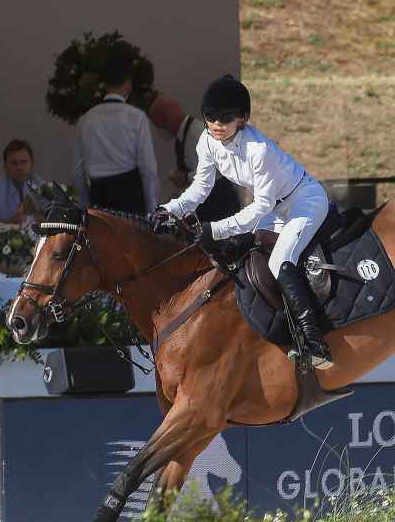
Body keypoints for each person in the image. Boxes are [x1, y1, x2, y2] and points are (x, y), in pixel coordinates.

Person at [152, 75, 333, 368]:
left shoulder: (258, 151)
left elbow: (260, 207)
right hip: (276, 208)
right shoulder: (206, 142)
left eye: (226, 118)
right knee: (249, 261)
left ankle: (315, 342)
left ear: (243, 119)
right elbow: (200, 187)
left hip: (304, 202)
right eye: (210, 117)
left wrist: (216, 228)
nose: (216, 124)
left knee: (279, 262)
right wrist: (170, 209)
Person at [73, 60, 159, 215]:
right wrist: (152, 210)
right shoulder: (136, 117)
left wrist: (85, 205)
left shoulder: (85, 120)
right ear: (128, 84)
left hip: (98, 197)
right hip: (131, 198)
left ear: (104, 85)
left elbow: (78, 171)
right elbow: (148, 169)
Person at [147, 93, 242, 223]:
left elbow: (219, 169)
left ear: (166, 119)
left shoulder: (197, 134)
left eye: (157, 123)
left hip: (219, 203)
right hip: (209, 201)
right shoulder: (183, 138)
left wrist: (186, 177)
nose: (159, 129)